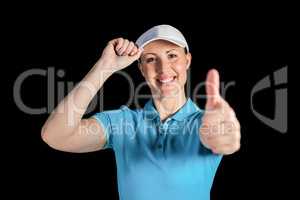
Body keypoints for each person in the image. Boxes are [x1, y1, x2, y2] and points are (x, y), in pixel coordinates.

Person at [41, 25, 241, 200]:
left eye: (172, 55)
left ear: (187, 60)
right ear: (141, 69)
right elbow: (55, 136)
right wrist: (104, 67)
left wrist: (225, 135)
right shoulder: (121, 123)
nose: (163, 69)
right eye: (151, 59)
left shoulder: (205, 122)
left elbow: (226, 139)